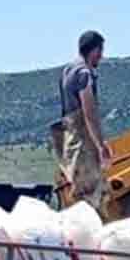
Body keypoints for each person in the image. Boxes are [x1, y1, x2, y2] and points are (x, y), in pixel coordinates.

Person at [55, 30, 111, 210]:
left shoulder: (68, 70)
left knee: (78, 193)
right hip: (82, 143)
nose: (101, 57)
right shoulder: (84, 73)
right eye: (100, 51)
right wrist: (101, 145)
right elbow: (89, 112)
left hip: (70, 139)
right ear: (94, 50)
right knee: (90, 196)